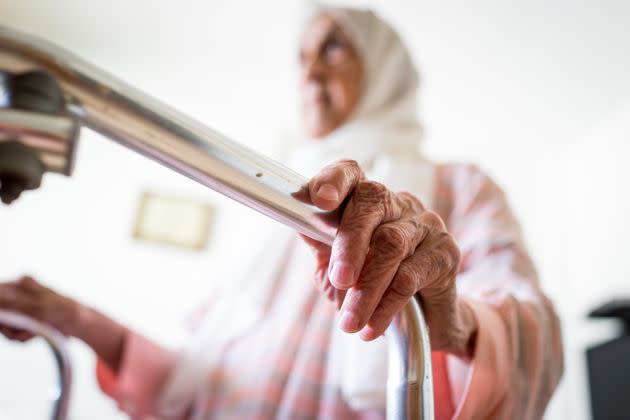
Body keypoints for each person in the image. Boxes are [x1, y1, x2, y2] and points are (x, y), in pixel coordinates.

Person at [0, 5, 563, 419]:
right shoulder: (271, 206)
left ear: (384, 69)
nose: (310, 70)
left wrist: (451, 320)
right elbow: (202, 383)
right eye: (301, 55)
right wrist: (75, 318)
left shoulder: (457, 187)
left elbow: (537, 342)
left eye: (335, 47)